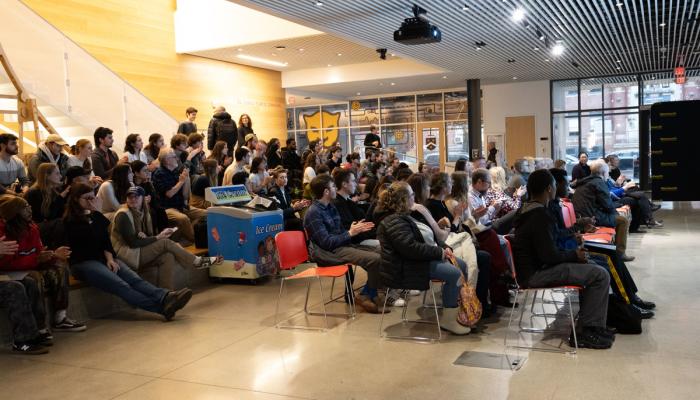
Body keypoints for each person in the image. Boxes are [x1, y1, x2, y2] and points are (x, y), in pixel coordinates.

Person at [512, 169, 614, 349]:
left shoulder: (528, 210)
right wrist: (574, 255)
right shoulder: (539, 216)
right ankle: (587, 332)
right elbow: (549, 255)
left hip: (536, 269)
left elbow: (549, 248)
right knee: (600, 275)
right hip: (537, 274)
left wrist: (574, 255)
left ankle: (593, 326)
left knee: (595, 268)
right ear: (549, 189)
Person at [63, 183, 193, 321]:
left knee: (134, 279)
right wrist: (97, 213)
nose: (92, 201)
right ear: (76, 199)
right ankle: (161, 308)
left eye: (93, 197)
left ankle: (165, 296)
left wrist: (110, 259)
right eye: (87, 198)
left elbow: (105, 241)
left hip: (103, 258)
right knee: (121, 285)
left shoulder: (94, 216)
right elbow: (88, 242)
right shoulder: (70, 221)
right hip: (84, 262)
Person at [548, 168, 655, 318]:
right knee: (607, 259)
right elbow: (555, 238)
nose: (569, 187)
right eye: (566, 184)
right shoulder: (546, 210)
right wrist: (575, 234)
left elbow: (560, 233)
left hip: (573, 245)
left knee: (612, 251)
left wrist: (578, 227)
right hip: (570, 252)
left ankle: (632, 297)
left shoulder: (554, 204)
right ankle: (628, 304)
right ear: (552, 186)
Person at [376, 181, 471, 335]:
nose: (415, 197)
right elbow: (410, 248)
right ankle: (449, 320)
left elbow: (429, 236)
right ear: (404, 199)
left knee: (462, 265)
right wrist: (439, 253)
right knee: (454, 273)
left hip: (417, 260)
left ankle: (458, 308)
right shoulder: (392, 221)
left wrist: (444, 246)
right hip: (405, 267)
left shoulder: (406, 216)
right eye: (412, 194)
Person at [0, 195, 85, 337]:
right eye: (25, 207)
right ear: (14, 212)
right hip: (12, 272)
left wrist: (52, 256)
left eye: (29, 206)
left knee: (60, 269)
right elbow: (7, 263)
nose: (30, 209)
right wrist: (37, 260)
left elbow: (39, 253)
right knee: (34, 278)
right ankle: (40, 326)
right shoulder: (4, 231)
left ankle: (60, 318)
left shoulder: (32, 227)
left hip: (31, 265)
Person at [303, 174, 387, 314]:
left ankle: (370, 293)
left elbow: (340, 232)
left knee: (383, 252)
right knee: (376, 259)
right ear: (326, 192)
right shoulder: (314, 213)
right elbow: (326, 243)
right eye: (333, 187)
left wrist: (353, 229)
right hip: (329, 252)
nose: (336, 188)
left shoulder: (330, 207)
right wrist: (350, 233)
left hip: (341, 246)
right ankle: (366, 294)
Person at [111, 186, 221, 289]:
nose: (132, 199)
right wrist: (158, 237)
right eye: (130, 196)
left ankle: (167, 294)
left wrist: (149, 237)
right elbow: (133, 243)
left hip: (137, 252)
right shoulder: (123, 215)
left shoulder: (144, 212)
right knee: (165, 243)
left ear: (143, 198)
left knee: (167, 256)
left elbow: (143, 238)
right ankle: (196, 262)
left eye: (136, 196)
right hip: (126, 255)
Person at [572, 159, 633, 261]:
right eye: (608, 173)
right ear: (603, 173)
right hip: (591, 217)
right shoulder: (599, 183)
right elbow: (608, 205)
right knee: (623, 221)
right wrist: (616, 214)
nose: (608, 175)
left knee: (617, 216)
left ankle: (616, 250)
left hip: (581, 216)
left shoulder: (585, 181)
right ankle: (620, 254)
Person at [152, 148, 207, 245]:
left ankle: (189, 238)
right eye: (174, 157)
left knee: (207, 213)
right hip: (167, 208)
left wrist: (186, 180)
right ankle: (197, 241)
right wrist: (181, 181)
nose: (177, 159)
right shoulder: (159, 173)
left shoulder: (176, 171)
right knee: (183, 218)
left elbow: (185, 196)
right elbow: (169, 194)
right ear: (167, 160)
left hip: (180, 205)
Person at [332, 169, 375, 245]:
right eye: (353, 181)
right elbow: (349, 230)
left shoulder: (347, 201)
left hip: (361, 237)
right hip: (354, 242)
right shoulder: (337, 204)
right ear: (344, 184)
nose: (356, 184)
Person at [131, 160, 168, 233]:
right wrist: (143, 201)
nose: (148, 173)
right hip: (140, 210)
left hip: (151, 208)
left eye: (148, 170)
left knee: (161, 210)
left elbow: (155, 200)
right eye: (145, 171)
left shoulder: (147, 183)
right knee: (153, 212)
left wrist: (150, 184)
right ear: (136, 173)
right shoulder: (132, 186)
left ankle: (165, 235)